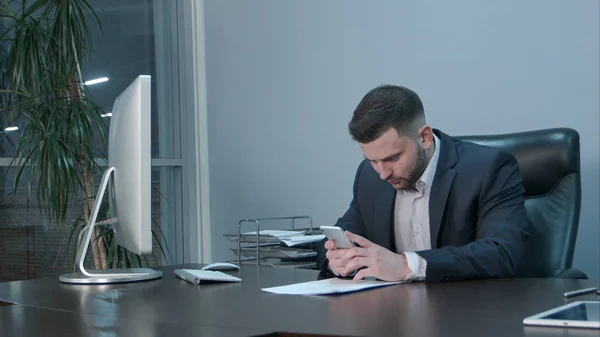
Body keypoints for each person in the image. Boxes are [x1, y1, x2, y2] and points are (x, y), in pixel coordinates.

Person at [316, 85, 529, 283]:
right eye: (373, 161)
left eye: (392, 158)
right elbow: (337, 238)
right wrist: (338, 259)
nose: (383, 173)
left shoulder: (488, 169)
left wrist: (406, 265)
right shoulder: (368, 177)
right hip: (391, 313)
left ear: (424, 138)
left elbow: (503, 252)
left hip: (468, 312)